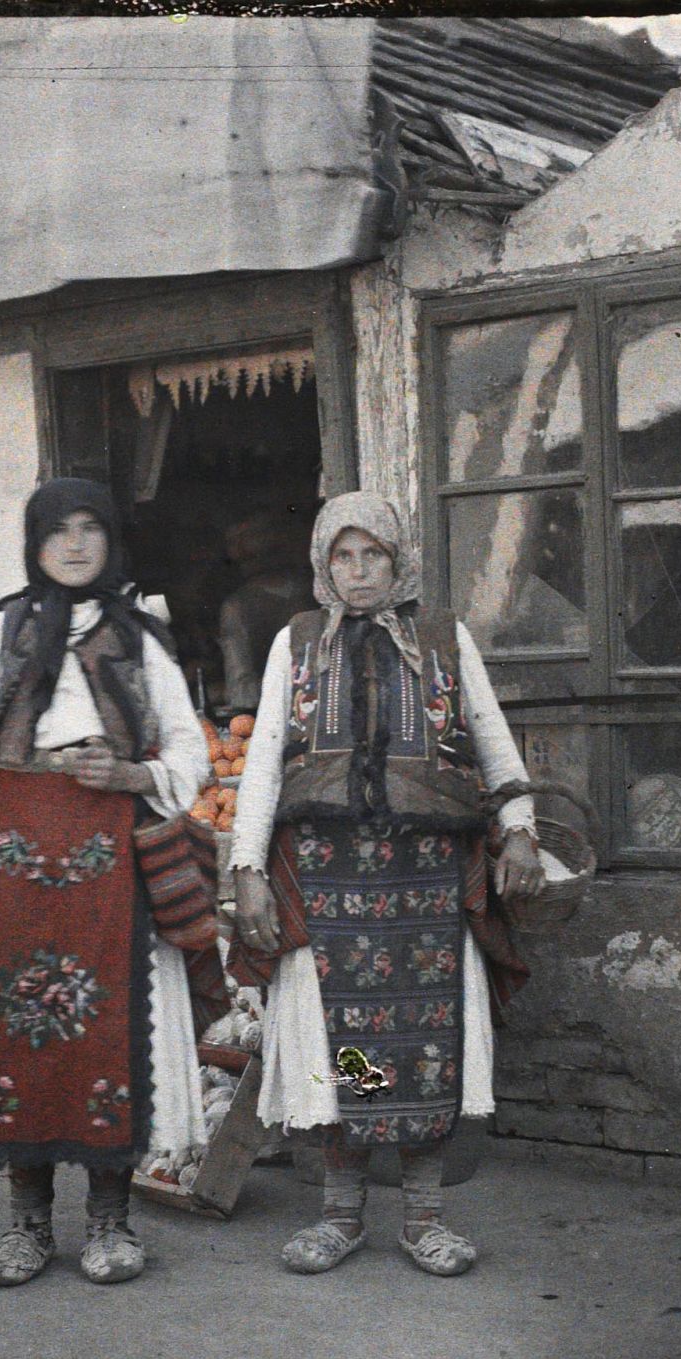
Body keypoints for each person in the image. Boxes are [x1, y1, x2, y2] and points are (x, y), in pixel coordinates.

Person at [227, 490, 545, 1278]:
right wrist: (248, 871)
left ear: (398, 560)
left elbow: (495, 745)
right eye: (343, 555)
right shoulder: (298, 642)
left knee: (427, 1046)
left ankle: (424, 1218)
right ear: (323, 564)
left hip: (426, 881)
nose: (358, 570)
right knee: (340, 1050)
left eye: (372, 554)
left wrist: (525, 828)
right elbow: (264, 759)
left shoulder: (443, 637)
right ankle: (340, 1215)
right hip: (326, 877)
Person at [0, 478, 211, 1287]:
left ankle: (111, 1222)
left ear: (112, 540)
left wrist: (129, 771)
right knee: (19, 1025)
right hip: (9, 848)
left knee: (106, 1025)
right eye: (58, 531)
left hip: (110, 852)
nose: (75, 545)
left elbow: (193, 753)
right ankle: (28, 1224)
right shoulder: (0, 632)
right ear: (34, 543)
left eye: (91, 529)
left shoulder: (143, 638)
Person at [217, 514, 315, 713]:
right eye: (234, 542)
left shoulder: (313, 591)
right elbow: (241, 691)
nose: (242, 549)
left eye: (251, 537)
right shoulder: (236, 607)